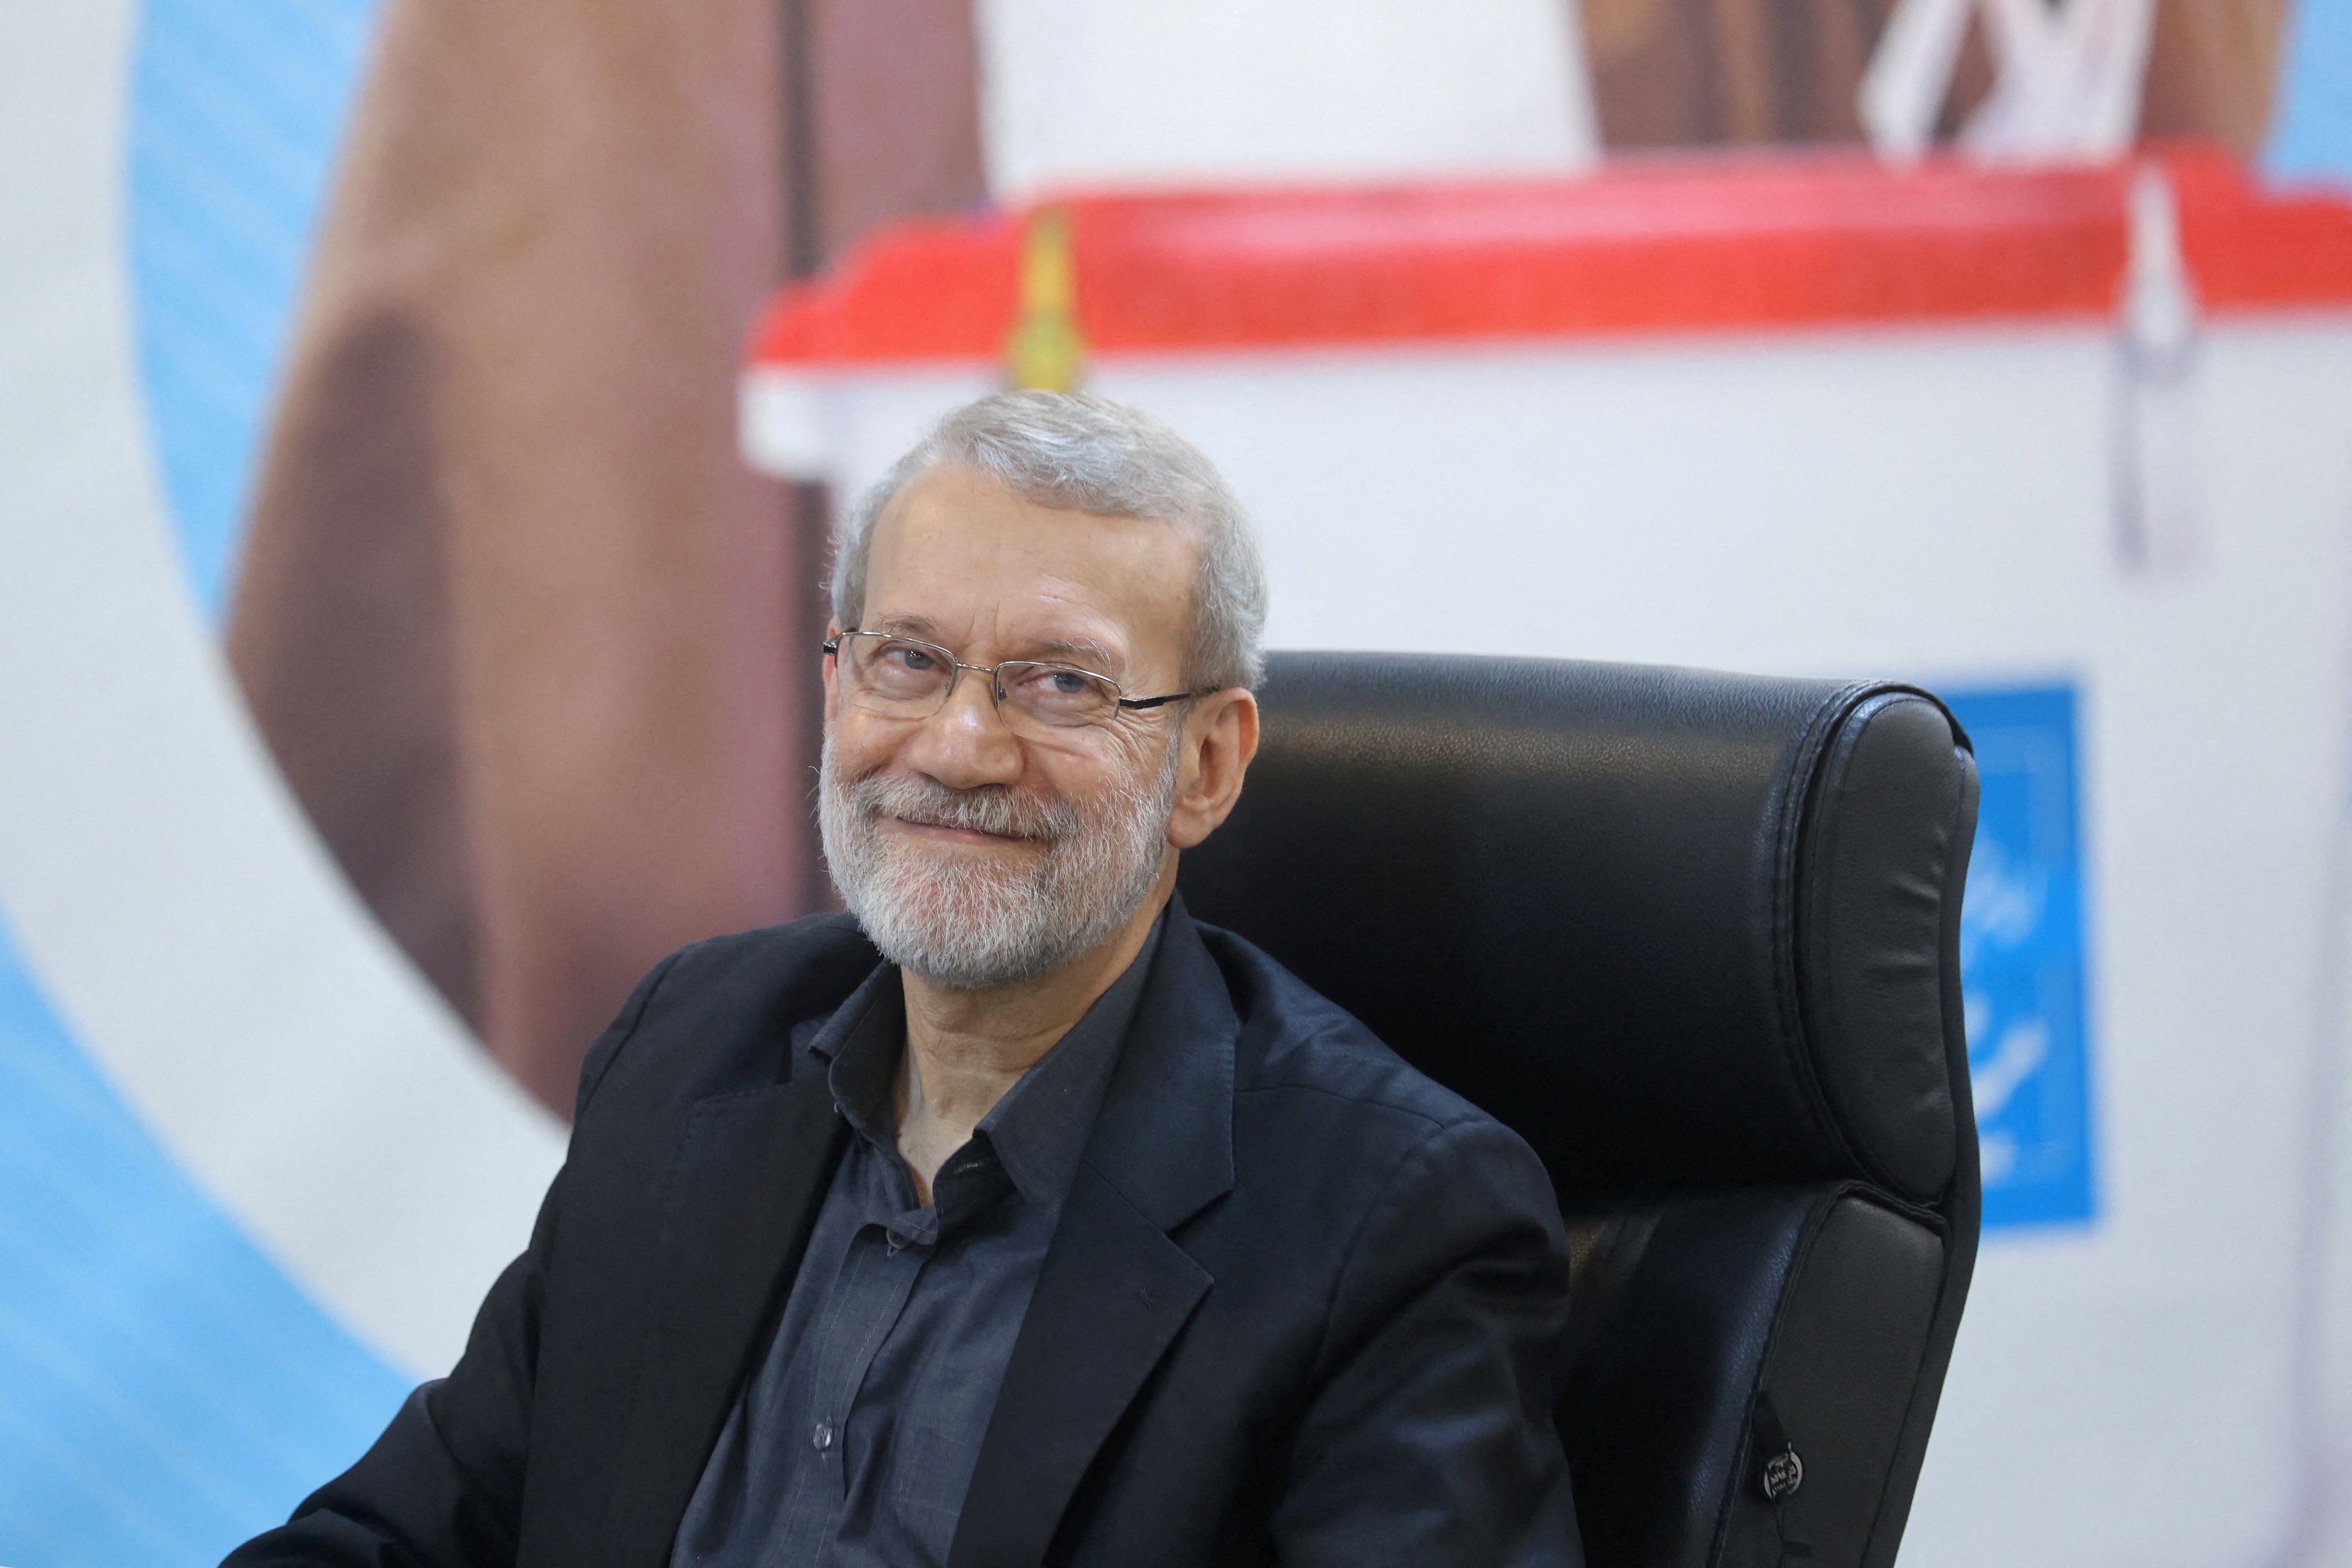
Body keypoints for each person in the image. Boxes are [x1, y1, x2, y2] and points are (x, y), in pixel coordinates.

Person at [226, 391, 1583, 1567]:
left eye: (1060, 684)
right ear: (838, 685)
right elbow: (411, 1529)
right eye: (910, 661)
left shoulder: (1391, 1225)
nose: (957, 747)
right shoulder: (692, 1050)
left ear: (1209, 766)